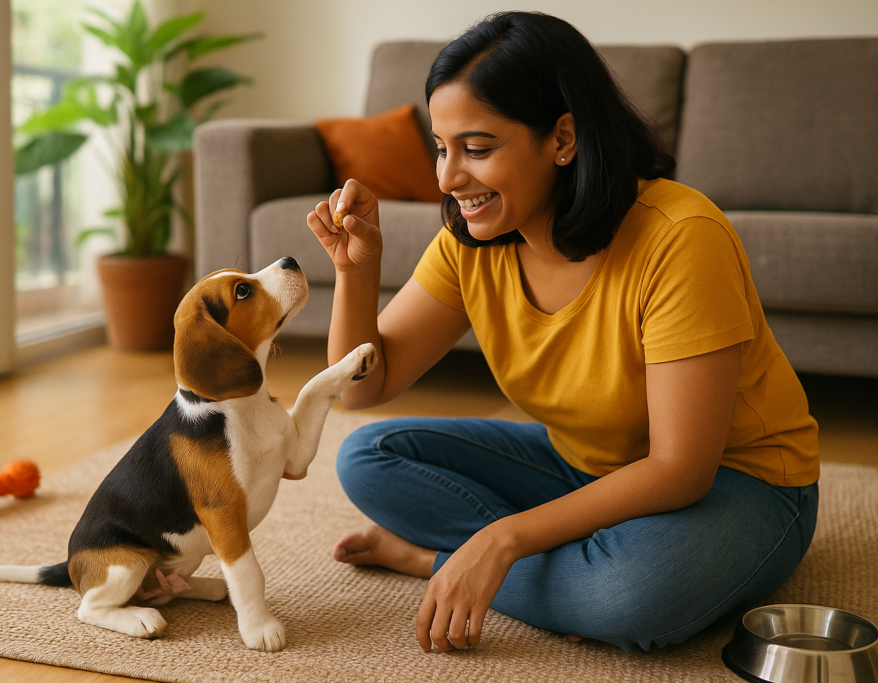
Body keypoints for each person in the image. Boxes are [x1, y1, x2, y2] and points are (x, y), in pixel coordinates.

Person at [305, 11, 819, 654]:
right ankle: (558, 563)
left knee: (631, 596)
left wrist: (503, 537)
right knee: (368, 457)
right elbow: (361, 389)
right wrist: (357, 273)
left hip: (742, 483)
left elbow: (682, 469)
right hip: (585, 468)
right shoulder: (472, 242)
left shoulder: (681, 238)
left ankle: (432, 561)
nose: (446, 179)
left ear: (563, 139)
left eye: (478, 148)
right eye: (441, 147)